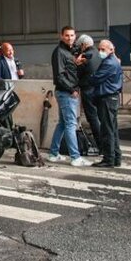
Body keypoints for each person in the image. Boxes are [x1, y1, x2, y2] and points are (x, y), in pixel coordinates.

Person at [47, 26, 88, 166]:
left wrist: (76, 62)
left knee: (63, 123)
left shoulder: (70, 52)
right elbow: (59, 76)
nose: (69, 38)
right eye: (66, 35)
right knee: (71, 124)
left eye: (71, 35)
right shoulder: (59, 52)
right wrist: (72, 90)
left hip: (67, 91)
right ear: (61, 36)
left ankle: (53, 153)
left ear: (75, 36)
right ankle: (75, 157)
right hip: (66, 92)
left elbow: (69, 71)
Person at [88, 39, 124, 167]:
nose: (100, 52)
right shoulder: (113, 61)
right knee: (112, 129)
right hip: (110, 98)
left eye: (103, 49)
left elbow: (95, 79)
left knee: (107, 129)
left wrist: (91, 75)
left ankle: (109, 158)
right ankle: (116, 157)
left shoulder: (109, 63)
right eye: (99, 49)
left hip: (107, 98)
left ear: (111, 50)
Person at [74, 34, 102, 152]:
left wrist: (76, 63)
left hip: (88, 89)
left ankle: (100, 144)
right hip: (99, 89)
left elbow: (77, 73)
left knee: (92, 118)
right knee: (100, 117)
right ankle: (104, 144)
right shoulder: (99, 54)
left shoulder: (86, 56)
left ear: (83, 45)